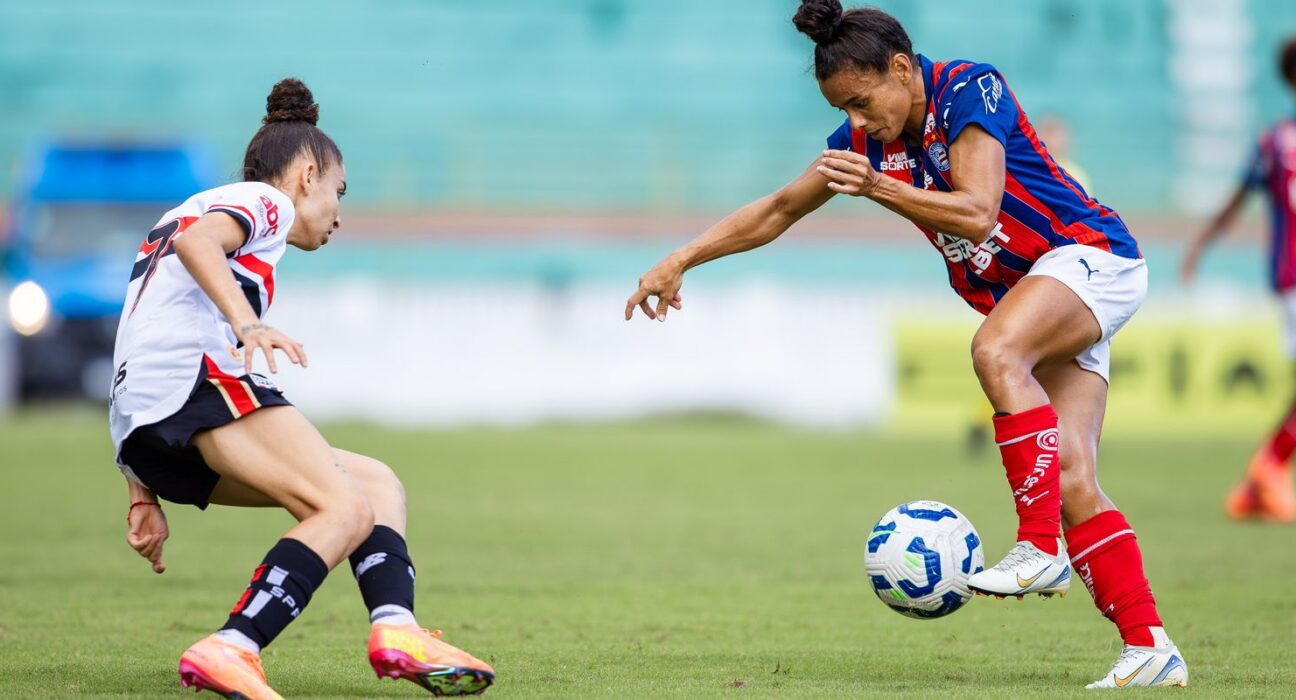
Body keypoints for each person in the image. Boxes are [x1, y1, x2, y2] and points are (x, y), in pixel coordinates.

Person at [624, 1, 1186, 689]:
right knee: (1070, 481)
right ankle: (1149, 645)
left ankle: (1039, 547)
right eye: (844, 111)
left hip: (1088, 257)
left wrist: (877, 186)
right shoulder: (867, 144)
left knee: (995, 350)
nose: (857, 123)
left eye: (861, 103)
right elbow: (778, 209)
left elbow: (977, 212)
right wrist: (681, 258)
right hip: (1039, 296)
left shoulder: (969, 87)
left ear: (899, 68)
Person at [110, 78, 494, 698]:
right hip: (199, 388)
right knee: (344, 508)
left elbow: (136, 332)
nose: (338, 213)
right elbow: (195, 244)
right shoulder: (267, 201)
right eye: (339, 191)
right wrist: (248, 325)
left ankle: (398, 629)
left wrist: (139, 488)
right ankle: (233, 645)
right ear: (307, 174)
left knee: (375, 484)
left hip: (149, 424)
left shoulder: (193, 207)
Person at [1181, 37, 1296, 524]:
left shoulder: (1273, 141)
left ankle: (1254, 488)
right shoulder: (1274, 143)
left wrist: (1199, 247)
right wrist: (1198, 247)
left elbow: (1234, 203)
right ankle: (1268, 467)